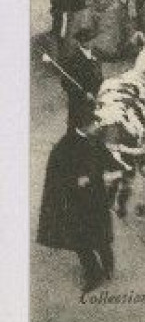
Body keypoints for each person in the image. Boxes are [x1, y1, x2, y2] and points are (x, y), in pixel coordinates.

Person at [37, 124, 122, 294]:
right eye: (92, 124)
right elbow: (57, 172)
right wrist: (74, 180)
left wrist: (104, 176)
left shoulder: (95, 142)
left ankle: (108, 266)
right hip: (76, 202)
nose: (96, 127)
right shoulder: (66, 145)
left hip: (97, 200)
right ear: (83, 125)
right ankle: (93, 273)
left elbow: (112, 164)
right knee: (80, 241)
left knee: (101, 238)